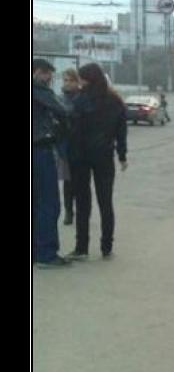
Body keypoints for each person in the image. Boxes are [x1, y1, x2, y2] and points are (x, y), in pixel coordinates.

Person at [67, 63, 128, 260]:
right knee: (106, 202)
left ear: (88, 79)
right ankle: (106, 246)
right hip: (104, 156)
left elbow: (73, 128)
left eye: (82, 78)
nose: (81, 82)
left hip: (80, 157)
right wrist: (122, 155)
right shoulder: (115, 100)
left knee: (83, 203)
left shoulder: (80, 100)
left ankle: (82, 247)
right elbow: (121, 131)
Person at [32, 58, 72, 268]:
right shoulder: (39, 90)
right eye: (48, 74)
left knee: (34, 203)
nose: (49, 79)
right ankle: (46, 254)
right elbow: (63, 110)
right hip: (40, 150)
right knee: (49, 203)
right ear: (38, 72)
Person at [58, 67, 81, 225]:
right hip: (64, 146)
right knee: (67, 182)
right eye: (64, 80)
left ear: (76, 81)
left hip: (80, 145)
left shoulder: (81, 97)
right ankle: (68, 211)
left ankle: (80, 211)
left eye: (69, 80)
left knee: (80, 182)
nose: (66, 83)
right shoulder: (59, 98)